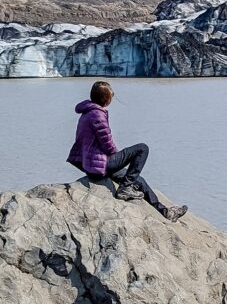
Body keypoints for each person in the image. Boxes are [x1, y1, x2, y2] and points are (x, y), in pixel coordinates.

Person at [66, 80, 188, 222]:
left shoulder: (87, 112)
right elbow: (108, 145)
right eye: (111, 96)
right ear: (106, 99)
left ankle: (165, 212)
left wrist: (117, 161)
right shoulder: (97, 115)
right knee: (142, 148)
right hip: (98, 166)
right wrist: (119, 158)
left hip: (92, 165)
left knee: (139, 180)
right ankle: (124, 189)